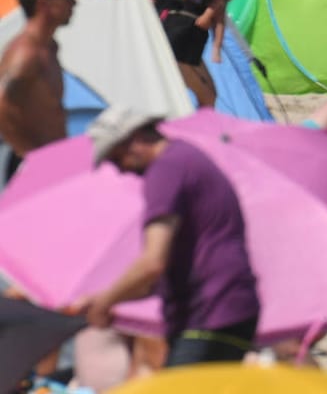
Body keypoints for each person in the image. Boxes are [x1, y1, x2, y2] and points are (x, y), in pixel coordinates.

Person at [73, 107, 259, 367]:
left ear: (134, 141)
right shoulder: (186, 158)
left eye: (117, 159)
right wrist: (107, 297)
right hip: (232, 307)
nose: (121, 170)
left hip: (209, 311)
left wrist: (103, 304)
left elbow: (152, 263)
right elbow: (159, 277)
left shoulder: (166, 170)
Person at [0, 0, 71, 181]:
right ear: (43, 4)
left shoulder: (49, 46)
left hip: (51, 155)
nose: (74, 4)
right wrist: (29, 155)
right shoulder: (26, 54)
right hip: (31, 163)